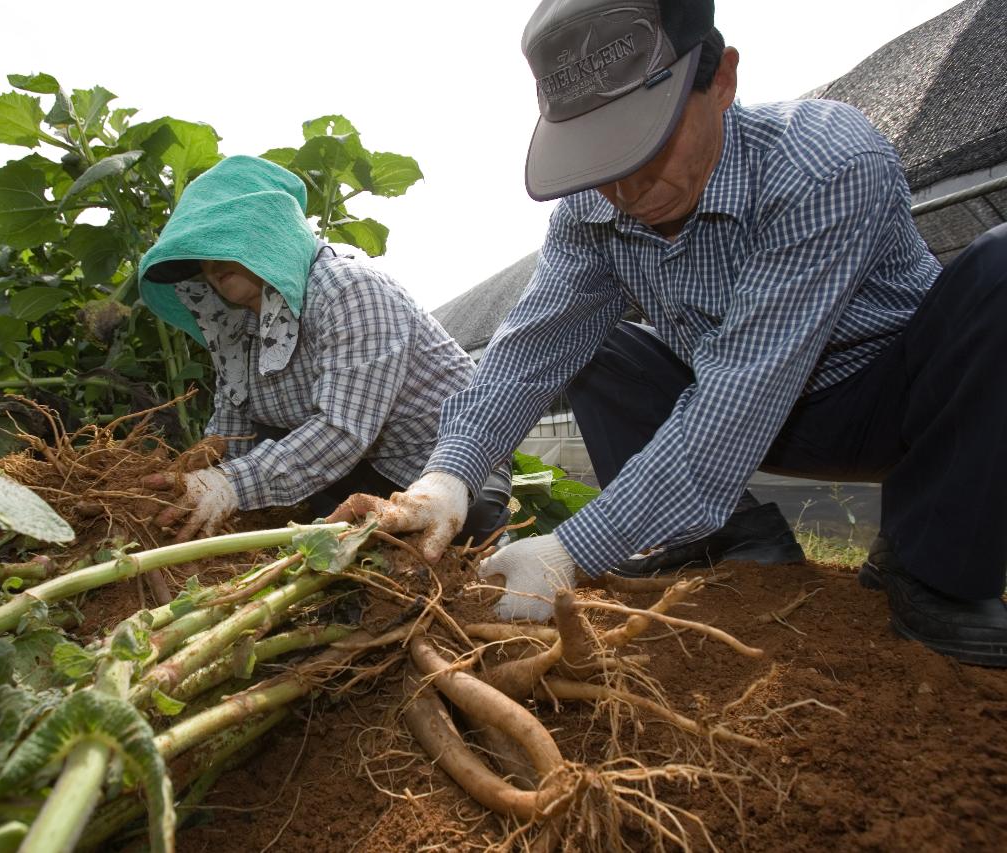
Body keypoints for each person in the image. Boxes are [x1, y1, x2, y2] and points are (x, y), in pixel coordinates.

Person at [332, 0, 1007, 667]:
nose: (626, 186)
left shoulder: (824, 163)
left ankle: (929, 565)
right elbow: (531, 349)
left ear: (722, 80)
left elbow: (740, 396)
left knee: (999, 268)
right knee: (594, 349)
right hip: (744, 408)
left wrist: (574, 551)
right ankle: (726, 534)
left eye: (647, 142)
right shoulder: (593, 211)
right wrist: (447, 477)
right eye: (600, 155)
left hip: (896, 406)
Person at [137, 155, 510, 545]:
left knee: (454, 550)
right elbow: (230, 436)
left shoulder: (349, 290)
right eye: (200, 254)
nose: (210, 264)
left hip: (443, 468)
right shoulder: (240, 331)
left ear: (268, 233)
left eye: (224, 242)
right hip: (354, 472)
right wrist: (180, 481)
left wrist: (231, 484)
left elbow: (342, 429)